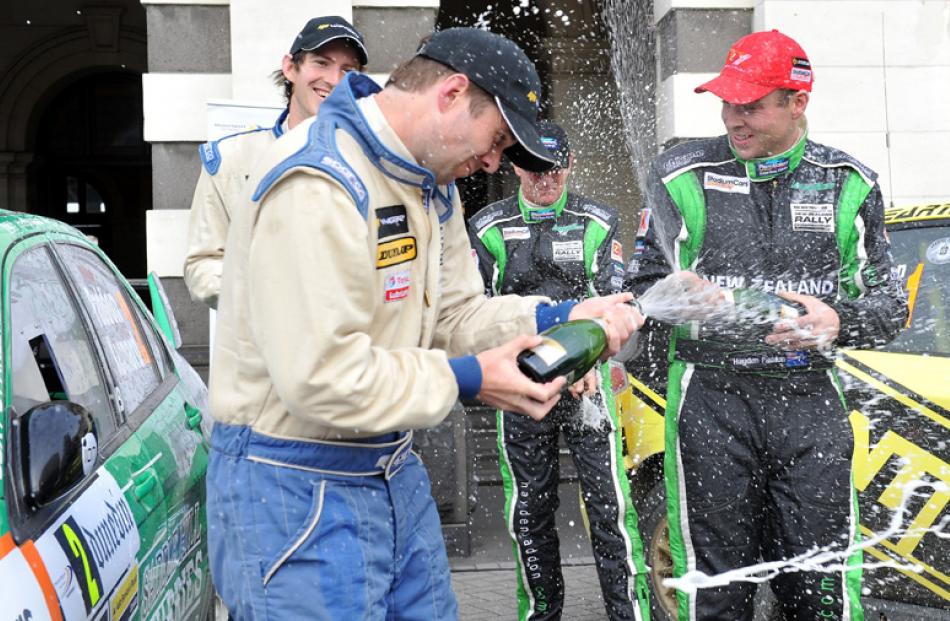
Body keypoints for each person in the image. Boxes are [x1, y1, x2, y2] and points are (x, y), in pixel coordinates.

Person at [206, 27, 645, 620]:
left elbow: (456, 315)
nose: (494, 162)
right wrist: (468, 379)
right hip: (291, 484)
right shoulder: (320, 180)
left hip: (390, 467)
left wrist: (561, 314)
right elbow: (320, 377)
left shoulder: (430, 186)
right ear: (452, 93)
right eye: (498, 139)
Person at [624, 30, 907, 620]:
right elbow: (635, 290)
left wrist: (838, 320)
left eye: (750, 104)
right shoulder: (682, 173)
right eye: (726, 102)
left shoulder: (848, 182)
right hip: (711, 398)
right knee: (714, 588)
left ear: (796, 101)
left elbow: (890, 308)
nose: (733, 118)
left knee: (820, 588)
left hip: (810, 400)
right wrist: (668, 296)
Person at [468, 121, 651, 621]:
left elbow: (615, 303)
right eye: (532, 168)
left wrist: (588, 360)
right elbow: (477, 313)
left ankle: (628, 614)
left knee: (611, 508)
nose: (543, 180)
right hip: (523, 384)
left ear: (569, 165)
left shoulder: (598, 219)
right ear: (515, 165)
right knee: (529, 511)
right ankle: (542, 614)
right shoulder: (486, 225)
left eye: (553, 169)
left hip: (589, 386)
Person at [183, 15, 368, 308]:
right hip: (261, 347)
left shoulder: (372, 162)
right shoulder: (232, 159)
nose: (333, 79)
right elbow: (203, 264)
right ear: (290, 67)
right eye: (321, 62)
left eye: (347, 70)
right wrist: (272, 297)